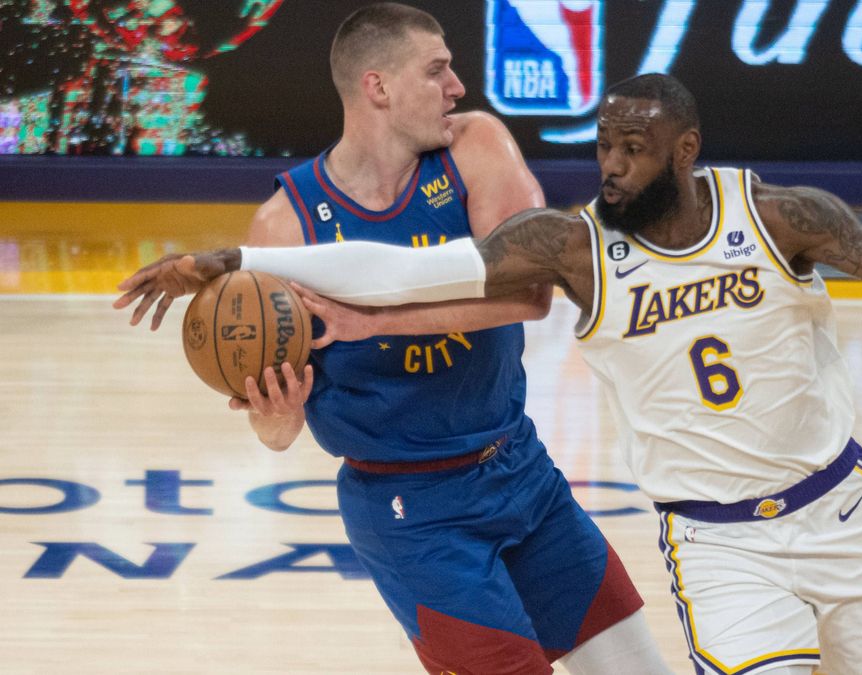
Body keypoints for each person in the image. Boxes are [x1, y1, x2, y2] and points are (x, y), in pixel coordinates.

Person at [117, 73, 862, 675]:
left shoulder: (778, 217)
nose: (613, 167)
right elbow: (399, 273)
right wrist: (237, 263)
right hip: (720, 544)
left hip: (844, 510)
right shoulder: (571, 247)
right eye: (603, 149)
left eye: (634, 150)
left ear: (686, 150)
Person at [115, 6, 672, 675]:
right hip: (411, 512)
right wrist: (275, 410)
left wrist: (374, 321)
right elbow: (277, 435)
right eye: (437, 70)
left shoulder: (475, 146)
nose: (458, 86)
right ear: (378, 87)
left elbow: (528, 292)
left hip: (521, 468)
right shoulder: (285, 227)